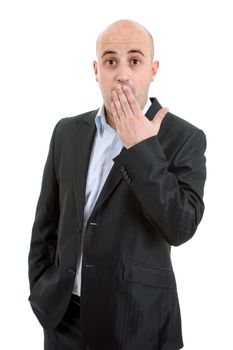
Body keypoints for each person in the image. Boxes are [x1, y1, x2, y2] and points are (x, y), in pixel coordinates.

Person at [28, 19, 206, 350]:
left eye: (134, 61)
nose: (122, 73)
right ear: (97, 69)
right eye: (111, 61)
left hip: (137, 324)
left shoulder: (185, 138)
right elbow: (46, 224)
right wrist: (42, 291)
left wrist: (142, 150)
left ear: (152, 70)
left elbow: (181, 227)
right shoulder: (67, 132)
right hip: (62, 321)